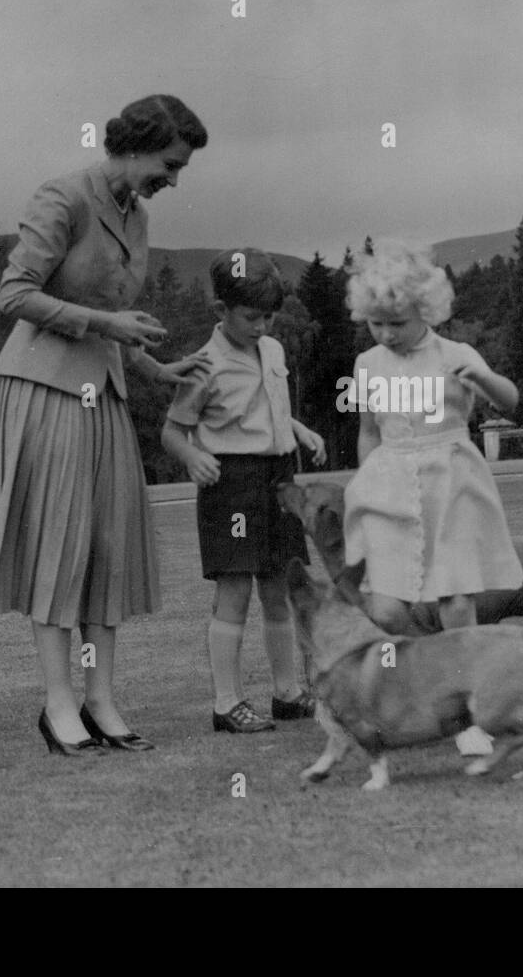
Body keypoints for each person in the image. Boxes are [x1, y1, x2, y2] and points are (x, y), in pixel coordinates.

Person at [0, 94, 210, 754]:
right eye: (169, 163)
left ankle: (101, 699)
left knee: (108, 547)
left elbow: (114, 318)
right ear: (134, 145)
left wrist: (160, 370)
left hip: (105, 394)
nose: (174, 178)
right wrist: (106, 325)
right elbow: (13, 293)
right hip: (43, 388)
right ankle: (58, 703)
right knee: (59, 546)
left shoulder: (137, 215)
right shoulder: (64, 197)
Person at [342, 241, 523, 755]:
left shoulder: (456, 355)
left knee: (456, 597)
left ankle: (466, 714)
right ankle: (427, 677)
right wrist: (365, 481)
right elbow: (368, 431)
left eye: (396, 322)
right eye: (376, 323)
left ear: (426, 309)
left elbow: (510, 400)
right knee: (387, 607)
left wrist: (486, 380)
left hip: (452, 482)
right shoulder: (366, 363)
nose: (386, 334)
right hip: (392, 485)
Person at [162, 249, 327, 734]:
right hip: (230, 485)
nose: (262, 327)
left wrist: (299, 430)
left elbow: (267, 405)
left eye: (269, 317)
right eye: (251, 317)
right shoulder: (203, 365)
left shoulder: (272, 350)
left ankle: (288, 692)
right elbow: (172, 431)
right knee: (235, 590)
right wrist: (192, 456)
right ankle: (226, 702)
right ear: (221, 312)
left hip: (280, 477)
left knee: (280, 587)